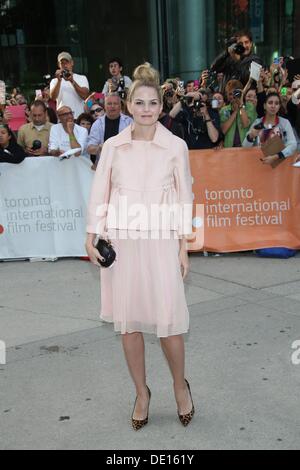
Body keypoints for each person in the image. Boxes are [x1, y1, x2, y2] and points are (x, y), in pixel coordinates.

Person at [86, 63, 195, 430]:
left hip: (162, 239)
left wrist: (182, 245)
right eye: (140, 102)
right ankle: (142, 393)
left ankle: (180, 387)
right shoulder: (114, 146)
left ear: (161, 108)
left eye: (153, 103)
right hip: (123, 240)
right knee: (129, 323)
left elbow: (185, 198)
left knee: (169, 324)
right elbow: (100, 190)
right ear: (128, 105)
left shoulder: (175, 147)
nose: (146, 109)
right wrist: (91, 235)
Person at [243, 92, 297, 165]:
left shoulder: (285, 123)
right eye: (270, 103)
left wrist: (277, 156)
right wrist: (250, 136)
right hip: (260, 164)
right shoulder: (257, 122)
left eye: (276, 103)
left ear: (279, 106)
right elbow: (245, 147)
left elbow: (293, 144)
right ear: (264, 106)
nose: (273, 106)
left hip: (280, 164)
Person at [87, 93, 133, 161]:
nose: (112, 106)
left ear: (120, 106)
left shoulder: (129, 122)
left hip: (125, 162)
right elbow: (89, 149)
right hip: (104, 163)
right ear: (104, 106)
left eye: (115, 103)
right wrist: (99, 148)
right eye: (109, 103)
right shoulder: (97, 124)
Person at [50, 52, 90, 118]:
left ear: (72, 63)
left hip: (79, 118)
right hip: (62, 118)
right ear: (58, 65)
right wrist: (59, 81)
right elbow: (53, 98)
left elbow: (85, 96)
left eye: (67, 62)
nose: (65, 65)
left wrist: (72, 81)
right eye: (62, 63)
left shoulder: (82, 78)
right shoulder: (54, 81)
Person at [220, 80, 257, 148]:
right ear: (227, 95)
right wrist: (235, 112)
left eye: (235, 93)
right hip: (229, 149)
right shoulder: (224, 110)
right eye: (230, 94)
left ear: (241, 93)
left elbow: (246, 124)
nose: (233, 96)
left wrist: (240, 105)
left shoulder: (249, 106)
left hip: (246, 147)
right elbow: (223, 131)